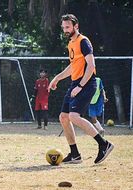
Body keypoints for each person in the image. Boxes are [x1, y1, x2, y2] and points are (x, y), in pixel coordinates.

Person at [48, 14, 114, 164]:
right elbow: (73, 66)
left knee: (74, 116)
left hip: (87, 83)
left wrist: (80, 86)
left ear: (76, 26)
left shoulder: (83, 41)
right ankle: (75, 154)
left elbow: (91, 66)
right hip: (75, 83)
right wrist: (57, 78)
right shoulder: (71, 43)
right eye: (63, 27)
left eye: (68, 27)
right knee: (63, 117)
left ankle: (104, 144)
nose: (65, 30)